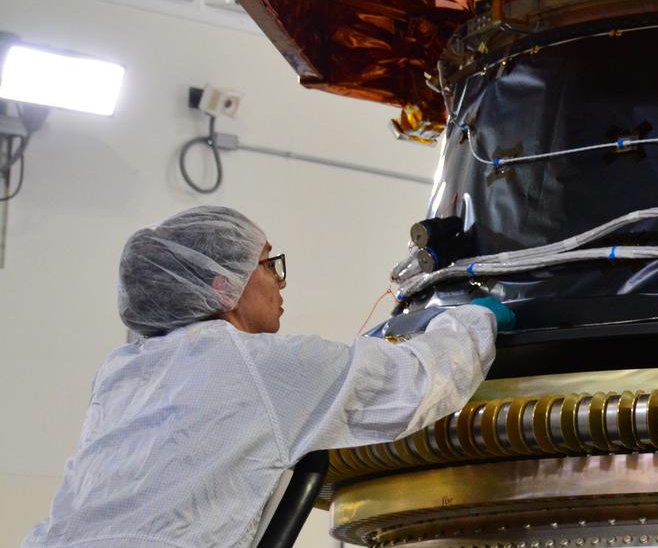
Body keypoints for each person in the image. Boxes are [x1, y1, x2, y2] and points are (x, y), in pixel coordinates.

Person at [25, 205, 512, 548]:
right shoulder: (261, 365)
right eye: (266, 264)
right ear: (224, 285)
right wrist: (475, 319)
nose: (278, 281)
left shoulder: (123, 372)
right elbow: (418, 381)